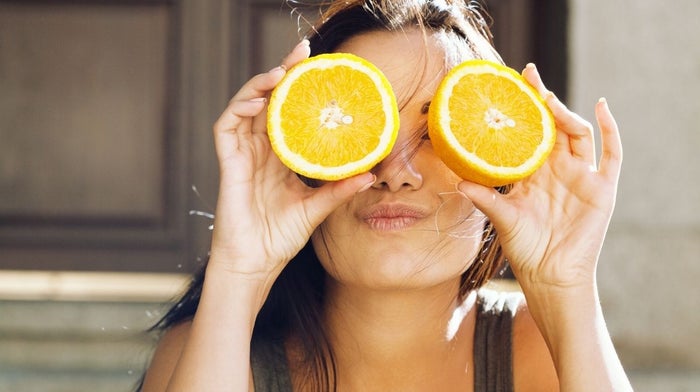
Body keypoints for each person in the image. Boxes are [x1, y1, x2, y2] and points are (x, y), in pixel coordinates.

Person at [140, 0, 633, 391]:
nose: (394, 173)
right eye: (364, 133)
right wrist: (239, 273)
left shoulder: (543, 355)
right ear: (304, 162)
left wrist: (567, 287)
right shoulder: (211, 355)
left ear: (499, 168)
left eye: (434, 134)